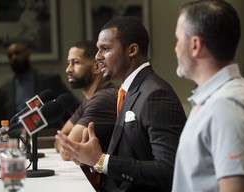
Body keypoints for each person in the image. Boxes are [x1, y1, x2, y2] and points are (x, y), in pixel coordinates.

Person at [56, 16, 187, 192]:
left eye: (105, 49)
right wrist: (90, 160)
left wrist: (101, 160)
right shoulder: (128, 90)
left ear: (132, 50)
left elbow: (168, 170)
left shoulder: (156, 94)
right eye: (97, 50)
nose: (97, 57)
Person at [172, 0, 244, 192]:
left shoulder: (228, 107)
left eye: (178, 39)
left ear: (195, 45)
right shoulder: (214, 100)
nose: (175, 48)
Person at [0, 42, 79, 131]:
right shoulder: (4, 90)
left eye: (18, 53)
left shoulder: (50, 80)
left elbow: (71, 105)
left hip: (46, 137)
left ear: (27, 53)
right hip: (16, 139)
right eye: (10, 56)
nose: (14, 58)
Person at [55, 40, 117, 158]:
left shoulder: (103, 99)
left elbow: (67, 151)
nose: (68, 69)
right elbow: (61, 138)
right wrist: (64, 144)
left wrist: (65, 144)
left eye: (76, 62)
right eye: (69, 63)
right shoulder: (89, 99)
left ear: (97, 67)